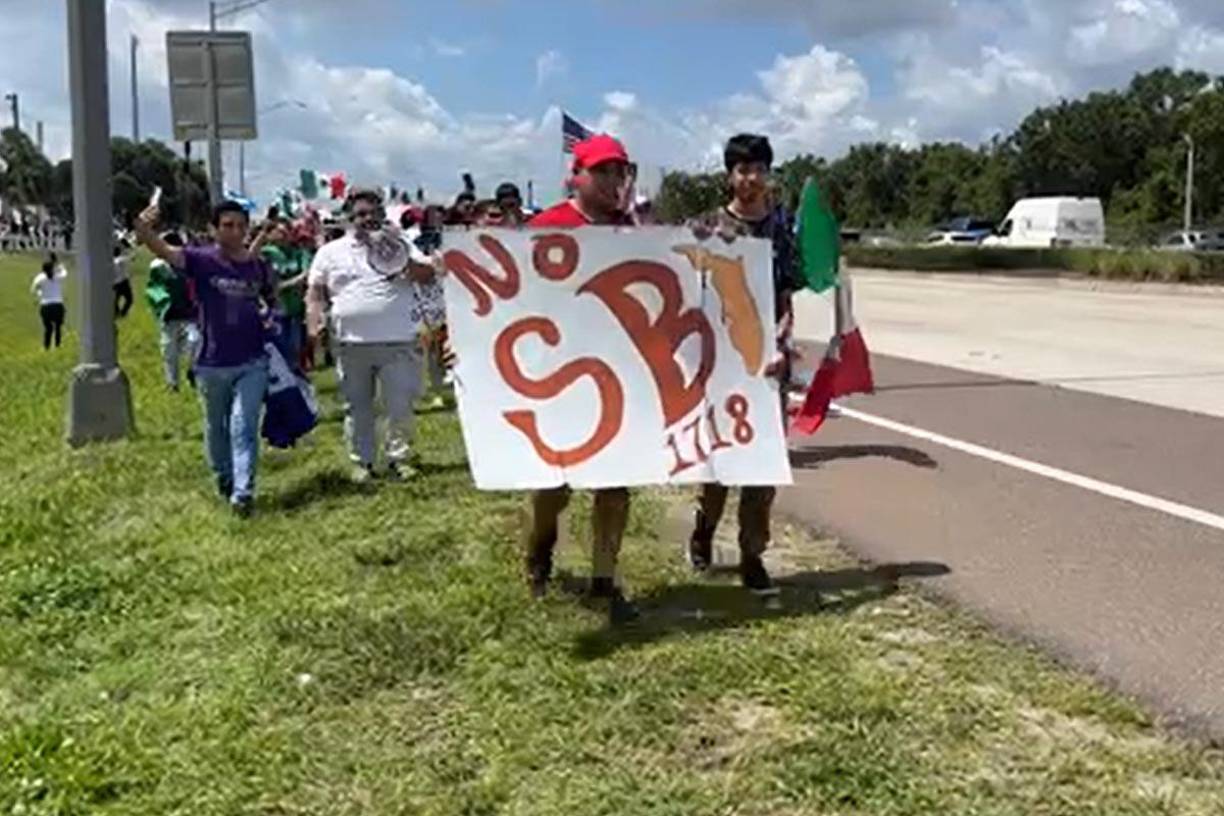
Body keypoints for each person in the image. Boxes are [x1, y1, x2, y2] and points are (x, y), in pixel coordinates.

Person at [526, 133, 640, 624]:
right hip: (560, 377)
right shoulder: (546, 226)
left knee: (615, 488)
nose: (616, 180)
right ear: (579, 174)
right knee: (554, 488)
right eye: (605, 171)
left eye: (621, 171)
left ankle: (604, 579)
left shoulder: (634, 231)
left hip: (618, 375)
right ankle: (539, 553)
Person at [687, 133, 803, 596]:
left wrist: (783, 333)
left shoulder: (781, 227)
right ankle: (703, 531)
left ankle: (752, 556)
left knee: (763, 465)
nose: (752, 179)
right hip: (719, 364)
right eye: (743, 170)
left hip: (768, 364)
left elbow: (785, 296)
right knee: (719, 461)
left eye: (759, 169)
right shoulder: (708, 227)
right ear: (729, 175)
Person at [135, 200, 279, 518]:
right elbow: (164, 251)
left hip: (252, 361)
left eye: (241, 225)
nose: (235, 231)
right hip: (211, 364)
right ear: (214, 229)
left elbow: (268, 295)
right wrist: (144, 229)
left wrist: (270, 316)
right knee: (217, 426)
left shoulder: (255, 265)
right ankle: (224, 477)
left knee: (244, 425)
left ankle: (243, 491)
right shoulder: (200, 260)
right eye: (227, 225)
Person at [306, 188, 437, 483]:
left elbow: (428, 275)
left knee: (399, 404)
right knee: (357, 407)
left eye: (372, 213)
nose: (366, 219)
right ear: (349, 218)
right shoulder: (330, 252)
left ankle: (400, 458)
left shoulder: (402, 244)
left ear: (381, 215)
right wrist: (313, 326)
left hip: (398, 340)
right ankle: (362, 462)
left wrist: (399, 255)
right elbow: (315, 293)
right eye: (360, 214)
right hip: (351, 344)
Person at [145, 232, 200, 391]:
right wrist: (162, 302)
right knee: (170, 350)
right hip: (169, 316)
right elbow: (153, 288)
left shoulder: (189, 264)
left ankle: (193, 371)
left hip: (190, 314)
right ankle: (172, 383)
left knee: (195, 342)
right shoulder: (158, 267)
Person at [260, 220, 310, 368]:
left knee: (295, 346)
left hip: (296, 308)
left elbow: (306, 274)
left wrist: (283, 285)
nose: (284, 235)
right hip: (275, 309)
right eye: (279, 231)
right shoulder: (266, 253)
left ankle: (296, 378)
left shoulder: (300, 253)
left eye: (286, 231)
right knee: (279, 347)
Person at [31, 254, 67, 350]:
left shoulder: (40, 278)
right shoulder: (57, 276)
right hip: (58, 304)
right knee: (58, 328)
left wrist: (40, 294)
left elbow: (33, 289)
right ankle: (57, 345)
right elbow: (64, 273)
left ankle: (46, 346)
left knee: (48, 328)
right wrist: (59, 264)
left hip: (46, 305)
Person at [113, 241, 135, 318]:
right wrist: (129, 248)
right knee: (130, 299)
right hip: (123, 282)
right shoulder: (120, 260)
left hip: (114, 284)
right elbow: (132, 257)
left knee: (114, 302)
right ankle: (122, 313)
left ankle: (117, 314)